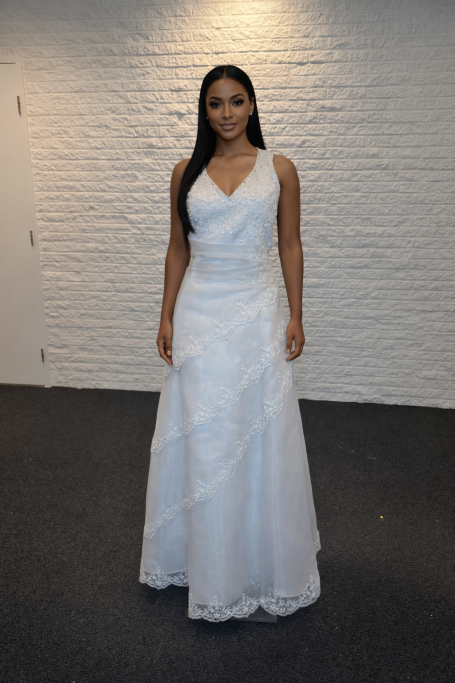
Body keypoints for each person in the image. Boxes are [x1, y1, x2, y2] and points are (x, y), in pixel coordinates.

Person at [140, 65, 321, 622]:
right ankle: (204, 561)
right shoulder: (185, 172)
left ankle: (259, 559)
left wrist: (296, 314)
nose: (226, 113)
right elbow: (178, 248)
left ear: (252, 106)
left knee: (257, 427)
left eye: (237, 101)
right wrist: (166, 315)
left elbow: (289, 244)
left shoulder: (279, 168)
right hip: (199, 311)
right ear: (204, 110)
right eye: (216, 103)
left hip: (256, 310)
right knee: (205, 431)